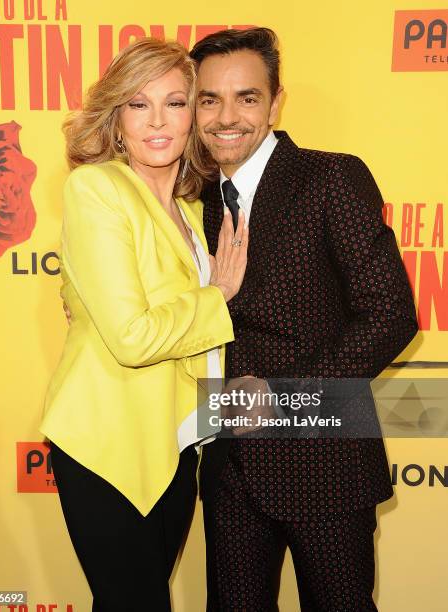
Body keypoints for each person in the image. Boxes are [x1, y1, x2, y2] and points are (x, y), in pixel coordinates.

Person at [189, 28, 419, 611]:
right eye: (209, 99)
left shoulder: (330, 178)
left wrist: (286, 396)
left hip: (327, 460)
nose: (225, 117)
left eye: (246, 97)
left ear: (275, 100)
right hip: (229, 464)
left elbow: (391, 314)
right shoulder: (191, 199)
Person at [40, 38, 248, 612]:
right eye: (138, 104)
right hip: (105, 441)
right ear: (117, 120)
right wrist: (217, 296)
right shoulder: (97, 189)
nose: (158, 121)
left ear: (194, 117)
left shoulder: (191, 209)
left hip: (175, 442)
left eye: (175, 103)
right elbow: (132, 338)